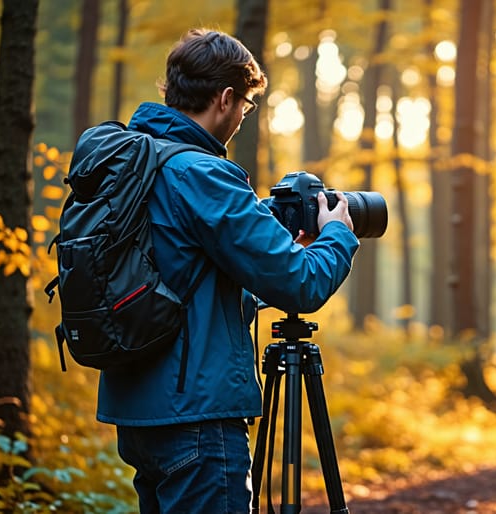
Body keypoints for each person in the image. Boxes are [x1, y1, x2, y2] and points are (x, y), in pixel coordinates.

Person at [95, 28, 359, 513]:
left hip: (138, 413)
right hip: (197, 416)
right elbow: (302, 285)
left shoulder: (137, 161)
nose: (241, 118)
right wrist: (338, 233)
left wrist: (272, 261)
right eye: (245, 107)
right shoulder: (203, 173)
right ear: (225, 98)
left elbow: (180, 283)